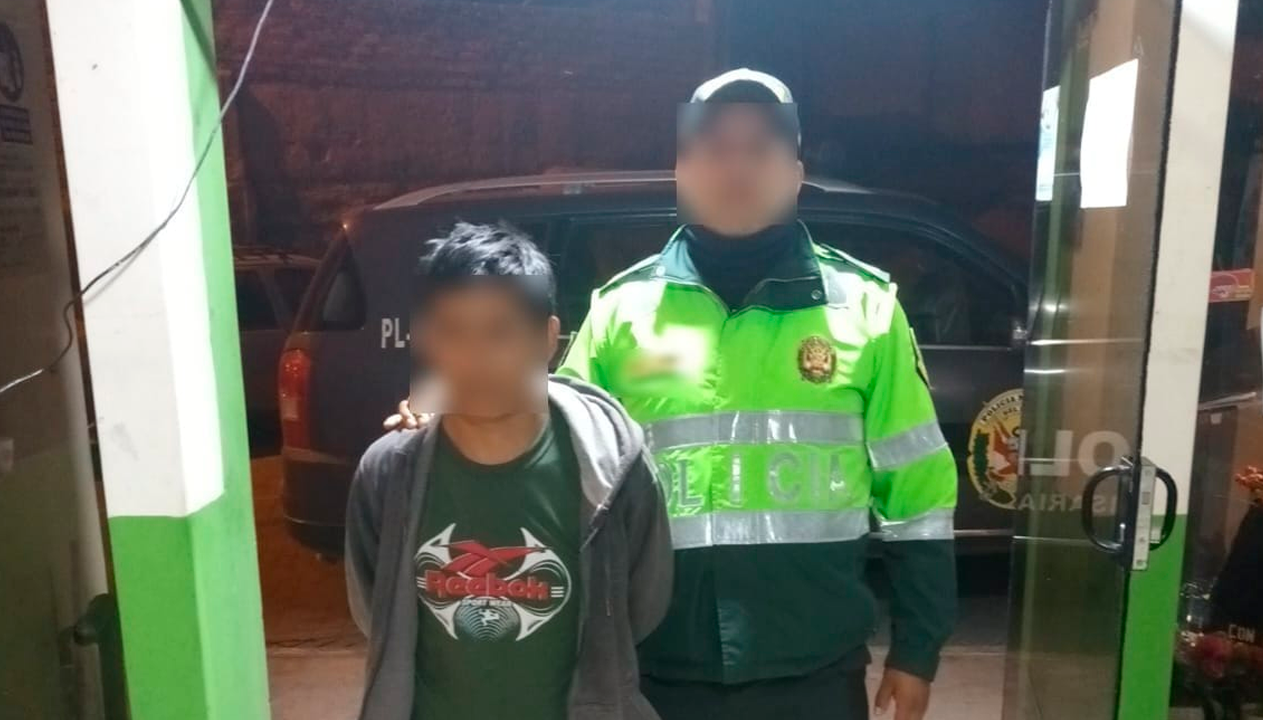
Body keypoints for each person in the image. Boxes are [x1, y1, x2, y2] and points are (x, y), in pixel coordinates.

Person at [389, 69, 957, 720]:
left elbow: (918, 498)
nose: (736, 167)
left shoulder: (867, 311)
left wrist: (918, 648)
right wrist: (448, 404)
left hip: (815, 664)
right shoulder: (621, 314)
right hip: (653, 664)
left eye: (759, 148)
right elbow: (541, 435)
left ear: (796, 172)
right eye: (714, 148)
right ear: (682, 172)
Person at [348, 222, 673, 720]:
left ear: (547, 337)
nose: (474, 357)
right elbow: (378, 610)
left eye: (499, 332)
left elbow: (640, 606)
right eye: (452, 332)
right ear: (426, 340)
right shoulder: (388, 473)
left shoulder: (612, 468)